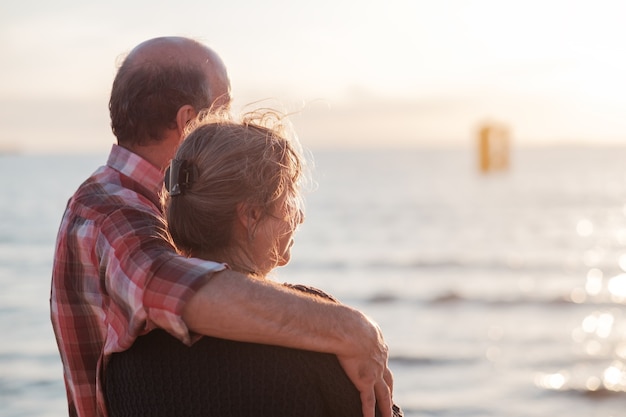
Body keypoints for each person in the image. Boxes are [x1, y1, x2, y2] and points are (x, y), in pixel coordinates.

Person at [50, 36, 393, 417]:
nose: (231, 122)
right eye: (225, 106)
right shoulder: (111, 209)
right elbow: (161, 283)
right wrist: (351, 328)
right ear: (189, 121)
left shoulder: (140, 205)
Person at [104, 110, 402, 417]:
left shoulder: (124, 354)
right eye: (289, 196)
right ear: (252, 215)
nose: (298, 216)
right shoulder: (321, 329)